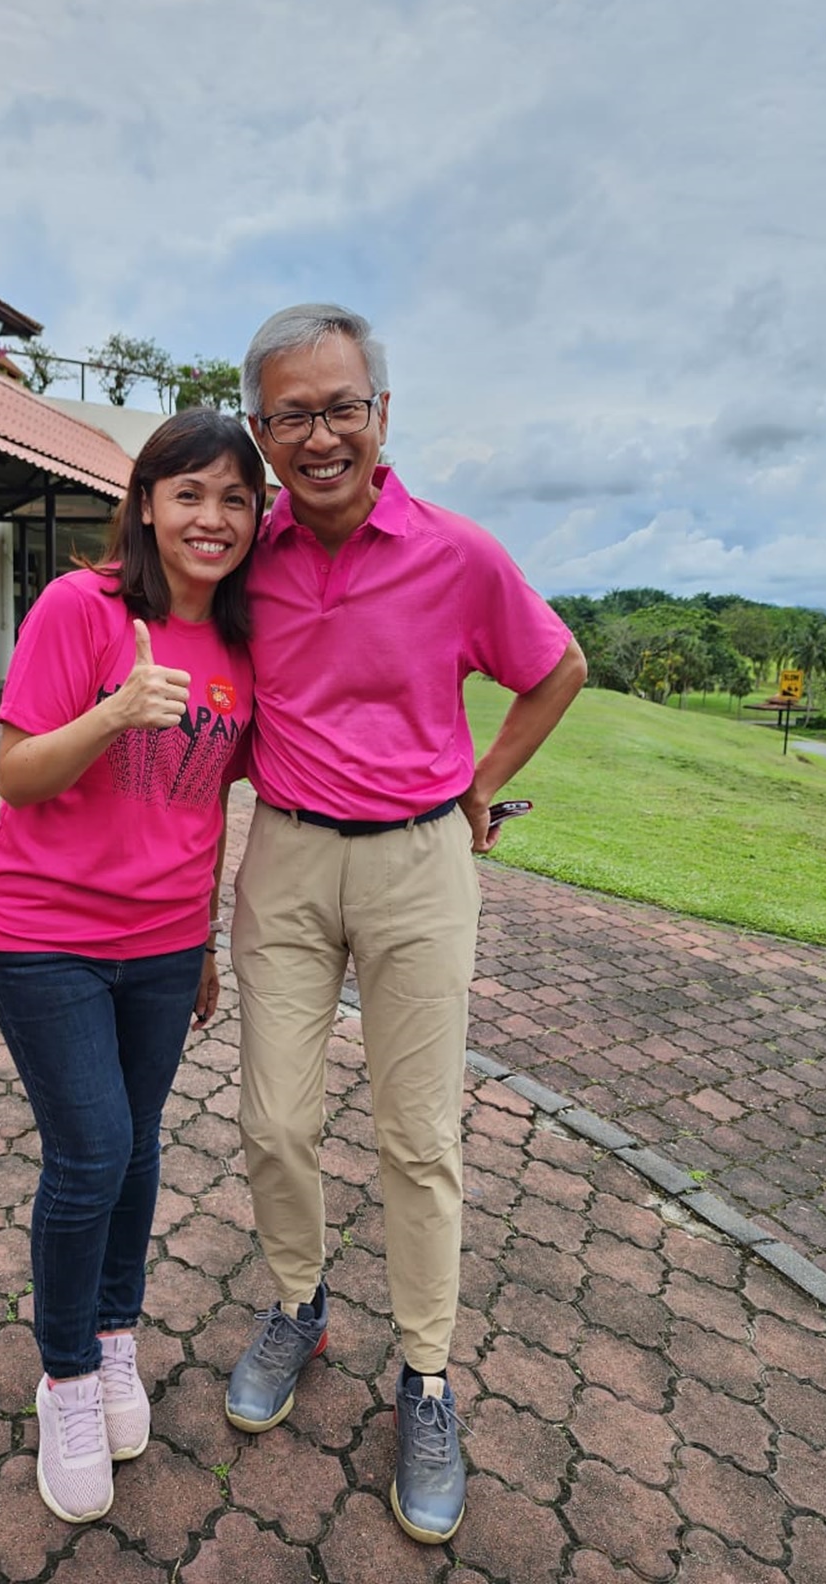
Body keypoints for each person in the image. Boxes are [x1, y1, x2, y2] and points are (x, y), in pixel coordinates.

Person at [224, 304, 586, 1544]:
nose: (317, 435)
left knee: (418, 1136)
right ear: (262, 431)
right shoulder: (246, 558)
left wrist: (483, 783)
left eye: (339, 407)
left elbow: (559, 666)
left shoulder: (457, 552)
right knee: (274, 1117)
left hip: (420, 864)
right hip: (283, 855)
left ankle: (426, 1376)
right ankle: (298, 1299)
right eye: (290, 414)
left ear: (382, 414)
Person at [0, 409, 266, 1525]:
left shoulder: (242, 644)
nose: (213, 517)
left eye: (236, 498)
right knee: (90, 1151)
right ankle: (65, 1377)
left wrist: (199, 941)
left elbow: (212, 811)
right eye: (190, 492)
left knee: (139, 1147)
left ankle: (113, 1331)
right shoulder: (82, 608)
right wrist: (112, 712)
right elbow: (16, 776)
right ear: (147, 501)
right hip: (44, 933)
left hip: (158, 949)